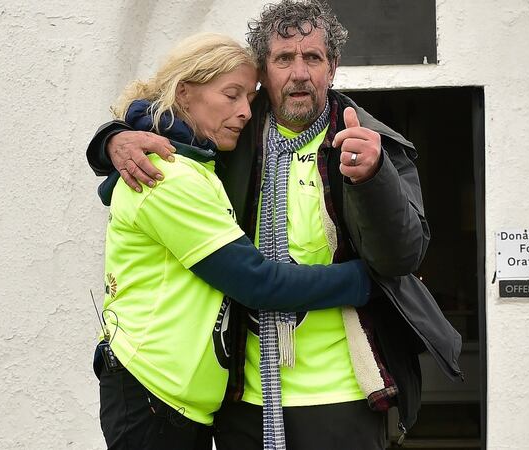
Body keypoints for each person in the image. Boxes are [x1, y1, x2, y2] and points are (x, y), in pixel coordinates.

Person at [87, 1, 463, 449]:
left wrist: (373, 177)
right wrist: (112, 140)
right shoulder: (233, 130)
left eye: (313, 57)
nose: (299, 72)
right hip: (242, 399)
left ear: (333, 67)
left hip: (341, 395)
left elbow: (402, 256)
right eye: (284, 58)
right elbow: (166, 121)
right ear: (263, 70)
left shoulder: (365, 141)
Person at [93, 32, 375, 450]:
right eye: (232, 95)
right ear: (185, 94)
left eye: (250, 96)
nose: (245, 111)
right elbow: (257, 282)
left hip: (179, 403)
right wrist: (366, 280)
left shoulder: (199, 165)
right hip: (153, 398)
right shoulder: (167, 178)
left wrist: (113, 137)